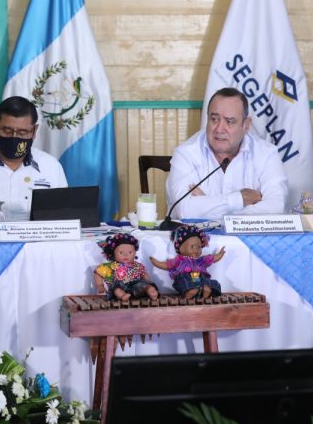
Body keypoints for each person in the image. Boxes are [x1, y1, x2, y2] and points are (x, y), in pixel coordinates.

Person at [165, 87, 288, 219]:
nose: (219, 129)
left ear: (246, 125)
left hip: (245, 234)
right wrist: (241, 199)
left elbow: (276, 207)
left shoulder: (266, 154)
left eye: (229, 121)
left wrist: (208, 205)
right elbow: (185, 210)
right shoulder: (186, 154)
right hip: (195, 234)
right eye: (214, 119)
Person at [149, 224, 225, 299]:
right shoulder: (178, 260)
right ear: (180, 248)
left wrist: (220, 254)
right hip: (185, 277)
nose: (196, 249)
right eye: (192, 246)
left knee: (207, 281)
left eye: (199, 247)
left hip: (199, 278)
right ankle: (189, 292)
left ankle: (206, 290)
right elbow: (167, 265)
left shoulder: (201, 260)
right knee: (183, 281)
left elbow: (213, 259)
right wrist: (156, 262)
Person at [93, 233, 158, 302]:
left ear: (135, 253)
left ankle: (150, 290)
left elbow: (144, 274)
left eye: (130, 252)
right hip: (119, 287)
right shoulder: (110, 266)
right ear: (113, 253)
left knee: (143, 285)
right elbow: (98, 273)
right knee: (116, 289)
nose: (126, 255)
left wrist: (148, 283)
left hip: (136, 287)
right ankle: (123, 296)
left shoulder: (137, 265)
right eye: (121, 253)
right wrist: (100, 286)